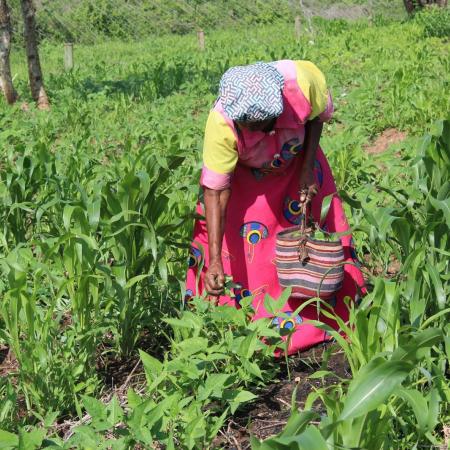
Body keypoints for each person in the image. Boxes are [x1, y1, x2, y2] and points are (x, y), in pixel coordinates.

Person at [185, 60, 365, 354]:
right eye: (247, 126)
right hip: (245, 178)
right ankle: (246, 331)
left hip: (298, 159)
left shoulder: (304, 84)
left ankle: (325, 318)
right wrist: (215, 258)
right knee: (245, 247)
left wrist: (307, 169)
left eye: (261, 125)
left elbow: (316, 118)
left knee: (314, 236)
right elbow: (215, 192)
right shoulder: (221, 123)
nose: (254, 131)